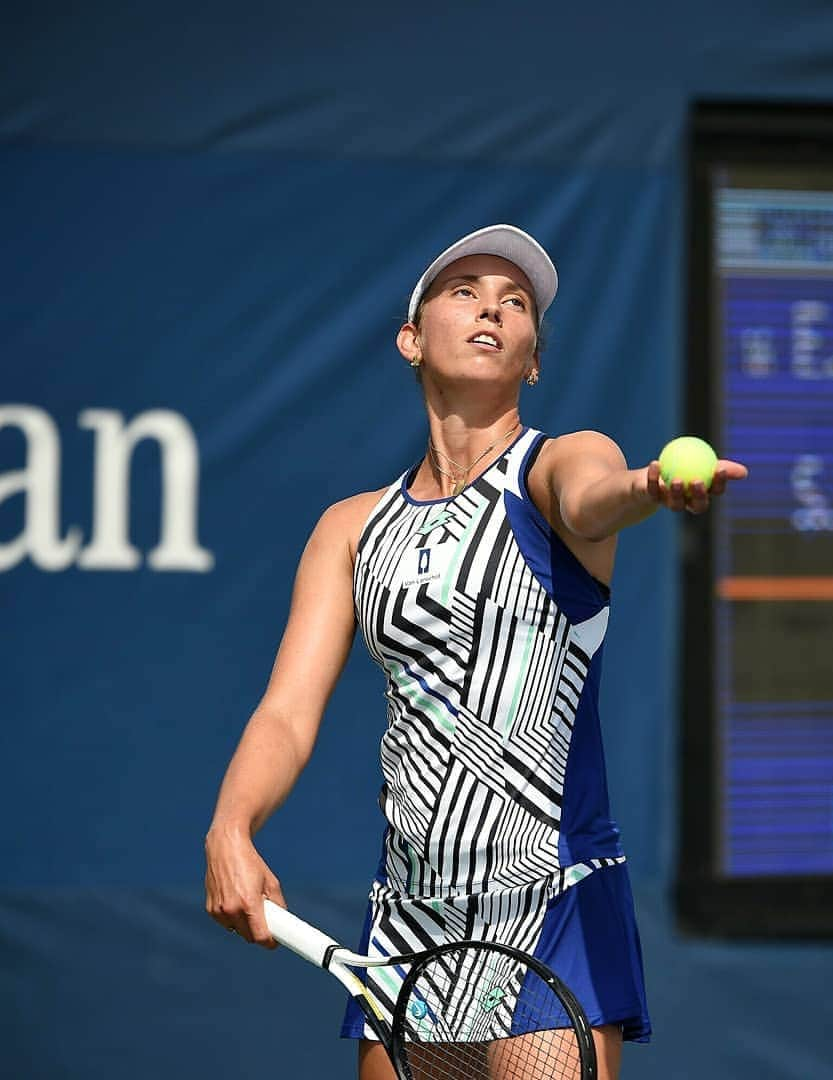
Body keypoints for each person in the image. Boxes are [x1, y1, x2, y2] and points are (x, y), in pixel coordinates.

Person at [204, 224, 748, 1079]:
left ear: (533, 360)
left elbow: (594, 498)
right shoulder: (349, 530)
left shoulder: (561, 463)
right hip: (410, 923)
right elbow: (286, 713)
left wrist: (647, 487)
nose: (493, 307)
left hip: (550, 903)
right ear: (411, 339)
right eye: (466, 292)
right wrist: (231, 828)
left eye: (516, 302)